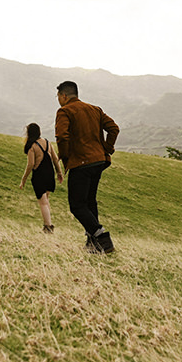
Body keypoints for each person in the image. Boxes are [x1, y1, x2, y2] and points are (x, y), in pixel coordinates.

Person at [55, 80, 120, 254]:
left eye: (58, 97)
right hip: (99, 161)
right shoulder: (95, 109)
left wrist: (65, 156)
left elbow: (62, 136)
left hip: (81, 162)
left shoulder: (64, 111)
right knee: (89, 202)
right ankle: (93, 243)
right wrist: (107, 149)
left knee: (76, 205)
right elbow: (114, 129)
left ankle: (102, 238)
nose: (58, 100)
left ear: (64, 96)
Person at [19, 122, 63, 233]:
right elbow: (55, 159)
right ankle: (48, 225)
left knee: (43, 202)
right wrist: (59, 173)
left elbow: (30, 164)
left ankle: (48, 226)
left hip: (39, 176)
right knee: (46, 201)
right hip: (50, 175)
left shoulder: (32, 146)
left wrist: (23, 179)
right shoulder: (48, 143)